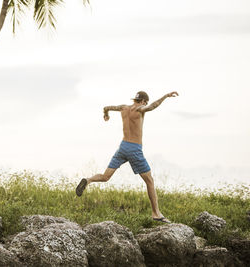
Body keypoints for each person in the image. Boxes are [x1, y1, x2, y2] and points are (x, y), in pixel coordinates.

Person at [75, 91, 179, 223]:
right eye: (145, 103)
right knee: (150, 181)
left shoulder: (123, 108)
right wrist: (166, 96)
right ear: (143, 101)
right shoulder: (141, 109)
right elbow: (152, 106)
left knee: (105, 176)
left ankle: (88, 180)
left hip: (123, 147)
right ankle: (156, 213)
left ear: (135, 99)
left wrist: (106, 115)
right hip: (134, 149)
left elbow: (106, 108)